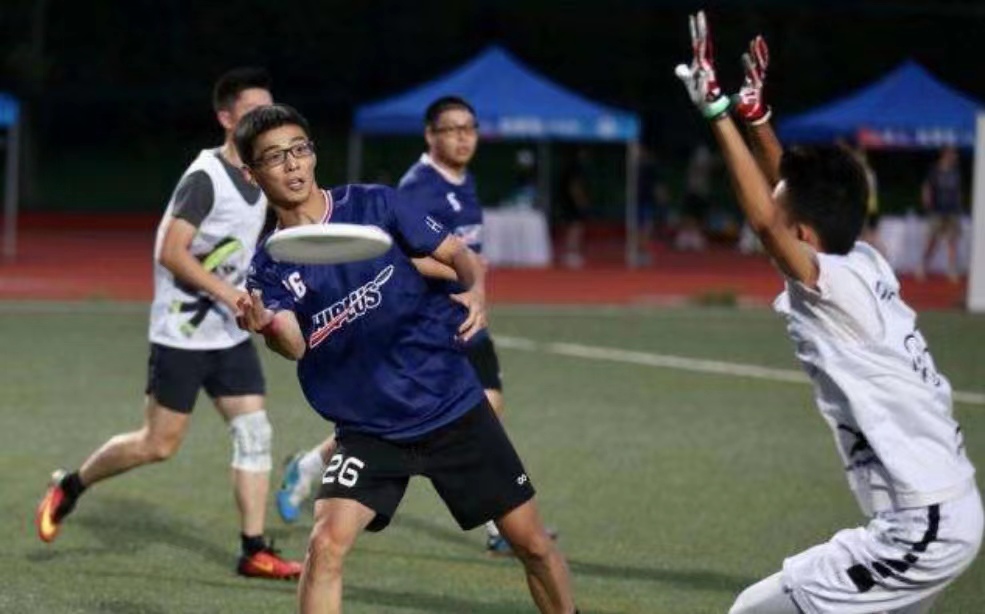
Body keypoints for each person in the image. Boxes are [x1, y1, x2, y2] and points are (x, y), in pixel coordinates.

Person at [676, 13, 982, 614]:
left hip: (922, 524)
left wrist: (716, 112)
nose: (775, 203)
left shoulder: (833, 283)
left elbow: (769, 223)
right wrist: (756, 117)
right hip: (944, 507)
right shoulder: (863, 260)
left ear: (804, 235)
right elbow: (795, 199)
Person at [233, 103, 576, 614]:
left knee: (532, 545)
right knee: (325, 545)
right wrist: (265, 324)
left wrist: (475, 290)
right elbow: (295, 343)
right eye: (275, 157)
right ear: (252, 173)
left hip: (450, 405)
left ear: (313, 154)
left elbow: (457, 253)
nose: (292, 165)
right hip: (368, 429)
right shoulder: (269, 265)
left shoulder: (374, 204)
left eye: (299, 150)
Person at [34, 67, 302, 580]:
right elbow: (171, 252)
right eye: (253, 112)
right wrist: (228, 293)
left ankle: (253, 550)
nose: (265, 121)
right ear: (226, 118)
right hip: (182, 333)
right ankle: (70, 485)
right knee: (158, 444)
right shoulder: (205, 178)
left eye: (270, 112)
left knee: (254, 432)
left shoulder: (261, 175)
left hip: (229, 335)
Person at [918, 145, 964, 282]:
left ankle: (951, 269)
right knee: (932, 241)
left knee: (952, 241)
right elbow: (927, 187)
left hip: (953, 210)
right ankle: (922, 266)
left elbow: (958, 190)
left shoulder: (955, 172)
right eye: (952, 154)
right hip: (937, 210)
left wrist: (960, 204)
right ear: (945, 154)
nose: (955, 157)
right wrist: (927, 202)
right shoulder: (935, 171)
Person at [557, 147, 592, 268]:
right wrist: (580, 201)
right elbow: (574, 186)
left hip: (567, 201)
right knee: (575, 227)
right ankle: (571, 253)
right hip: (572, 202)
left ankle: (571, 252)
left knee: (573, 227)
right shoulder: (576, 168)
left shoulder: (569, 167)